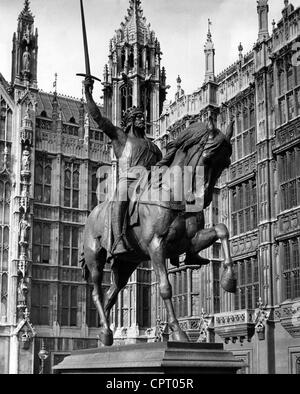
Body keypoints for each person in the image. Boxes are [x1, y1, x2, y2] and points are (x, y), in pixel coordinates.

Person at [84, 77, 162, 255]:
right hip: (130, 180)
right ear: (131, 121)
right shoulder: (121, 138)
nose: (142, 119)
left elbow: (161, 168)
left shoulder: (154, 147)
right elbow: (98, 118)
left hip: (150, 183)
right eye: (138, 117)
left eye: (143, 117)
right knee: (121, 196)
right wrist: (88, 92)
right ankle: (118, 239)